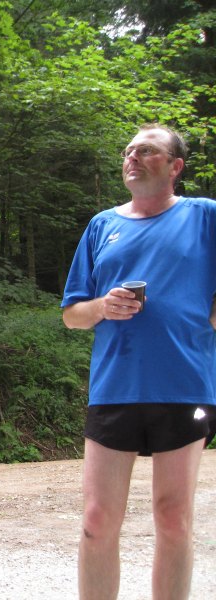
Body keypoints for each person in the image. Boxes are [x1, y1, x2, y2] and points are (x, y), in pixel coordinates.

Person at [62, 123, 216, 599]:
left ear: (174, 166)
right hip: (115, 386)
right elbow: (72, 315)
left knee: (173, 519)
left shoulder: (205, 216)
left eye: (147, 150)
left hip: (185, 384)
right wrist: (103, 306)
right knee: (96, 521)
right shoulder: (101, 225)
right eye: (129, 151)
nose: (132, 157)